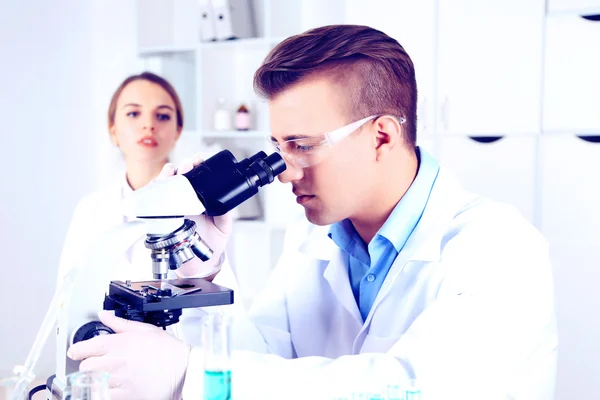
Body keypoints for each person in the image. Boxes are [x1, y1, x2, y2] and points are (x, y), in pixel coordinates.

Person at [67, 25, 557, 400]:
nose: (282, 171)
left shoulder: (500, 248)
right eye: (278, 147)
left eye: (302, 145)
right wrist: (199, 279)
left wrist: (189, 374)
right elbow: (260, 359)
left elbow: (413, 387)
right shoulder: (312, 241)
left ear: (382, 135)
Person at [57, 72, 230, 334]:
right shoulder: (90, 210)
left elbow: (222, 315)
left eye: (162, 116)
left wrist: (207, 270)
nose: (148, 125)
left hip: (182, 359)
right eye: (133, 114)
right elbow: (66, 302)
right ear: (113, 129)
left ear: (177, 131)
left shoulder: (203, 213)